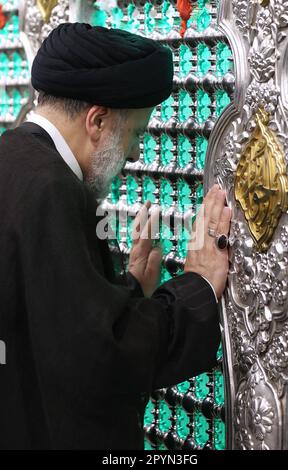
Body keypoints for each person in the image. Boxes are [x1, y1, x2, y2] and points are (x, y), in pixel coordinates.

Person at [0, 23, 231, 450]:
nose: (136, 153)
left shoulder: (13, 159)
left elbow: (49, 324)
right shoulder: (52, 188)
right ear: (98, 120)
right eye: (136, 133)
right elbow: (103, 359)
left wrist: (130, 291)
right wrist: (196, 285)